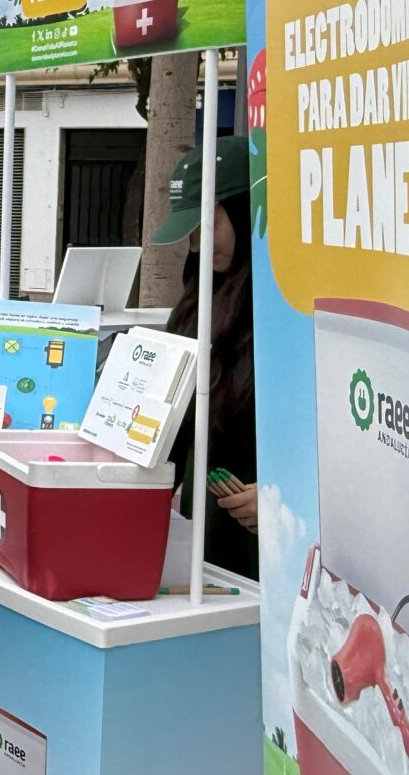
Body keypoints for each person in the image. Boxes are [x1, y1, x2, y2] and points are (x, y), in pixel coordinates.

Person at [150, 135, 258, 579]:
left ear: (246, 211)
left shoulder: (284, 315)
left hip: (268, 552)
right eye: (190, 232)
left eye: (207, 225)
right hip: (207, 540)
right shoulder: (197, 303)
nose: (197, 244)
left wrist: (284, 496)